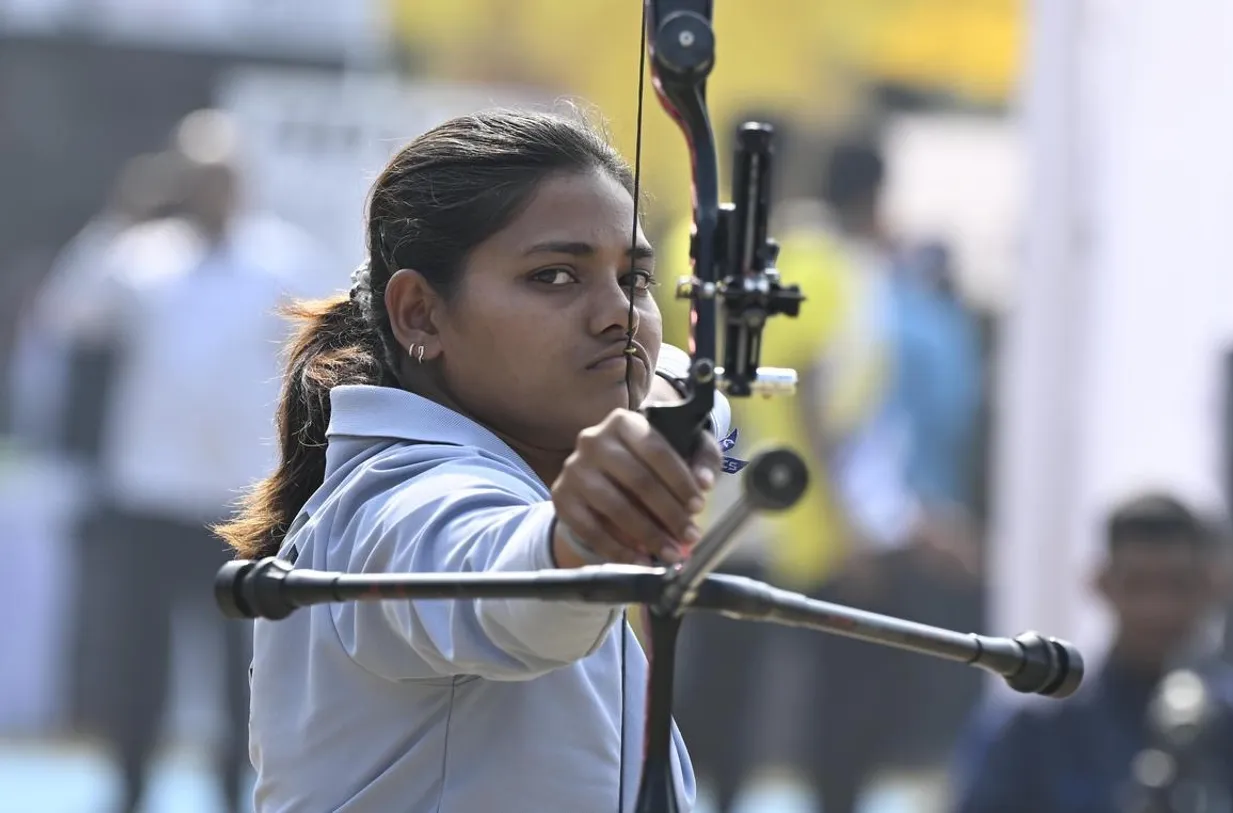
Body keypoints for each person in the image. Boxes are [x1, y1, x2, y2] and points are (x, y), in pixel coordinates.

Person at [215, 109, 738, 813]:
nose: (618, 315)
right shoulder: (395, 501)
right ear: (420, 315)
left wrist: (672, 413)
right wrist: (577, 543)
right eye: (554, 276)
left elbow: (670, 371)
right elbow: (498, 585)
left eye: (636, 280)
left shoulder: (564, 413)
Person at [62, 110, 325, 813]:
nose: (212, 189)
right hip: (149, 490)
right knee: (135, 662)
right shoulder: (137, 254)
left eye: (224, 175)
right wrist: (121, 214)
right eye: (199, 175)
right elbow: (72, 315)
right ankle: (129, 789)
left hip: (239, 498)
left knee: (245, 668)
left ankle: (238, 795)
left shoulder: (286, 260)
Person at [951, 493, 1233, 813]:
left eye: (1177, 585)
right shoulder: (1032, 732)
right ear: (1101, 583)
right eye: (1138, 585)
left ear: (1214, 586)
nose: (1156, 609)